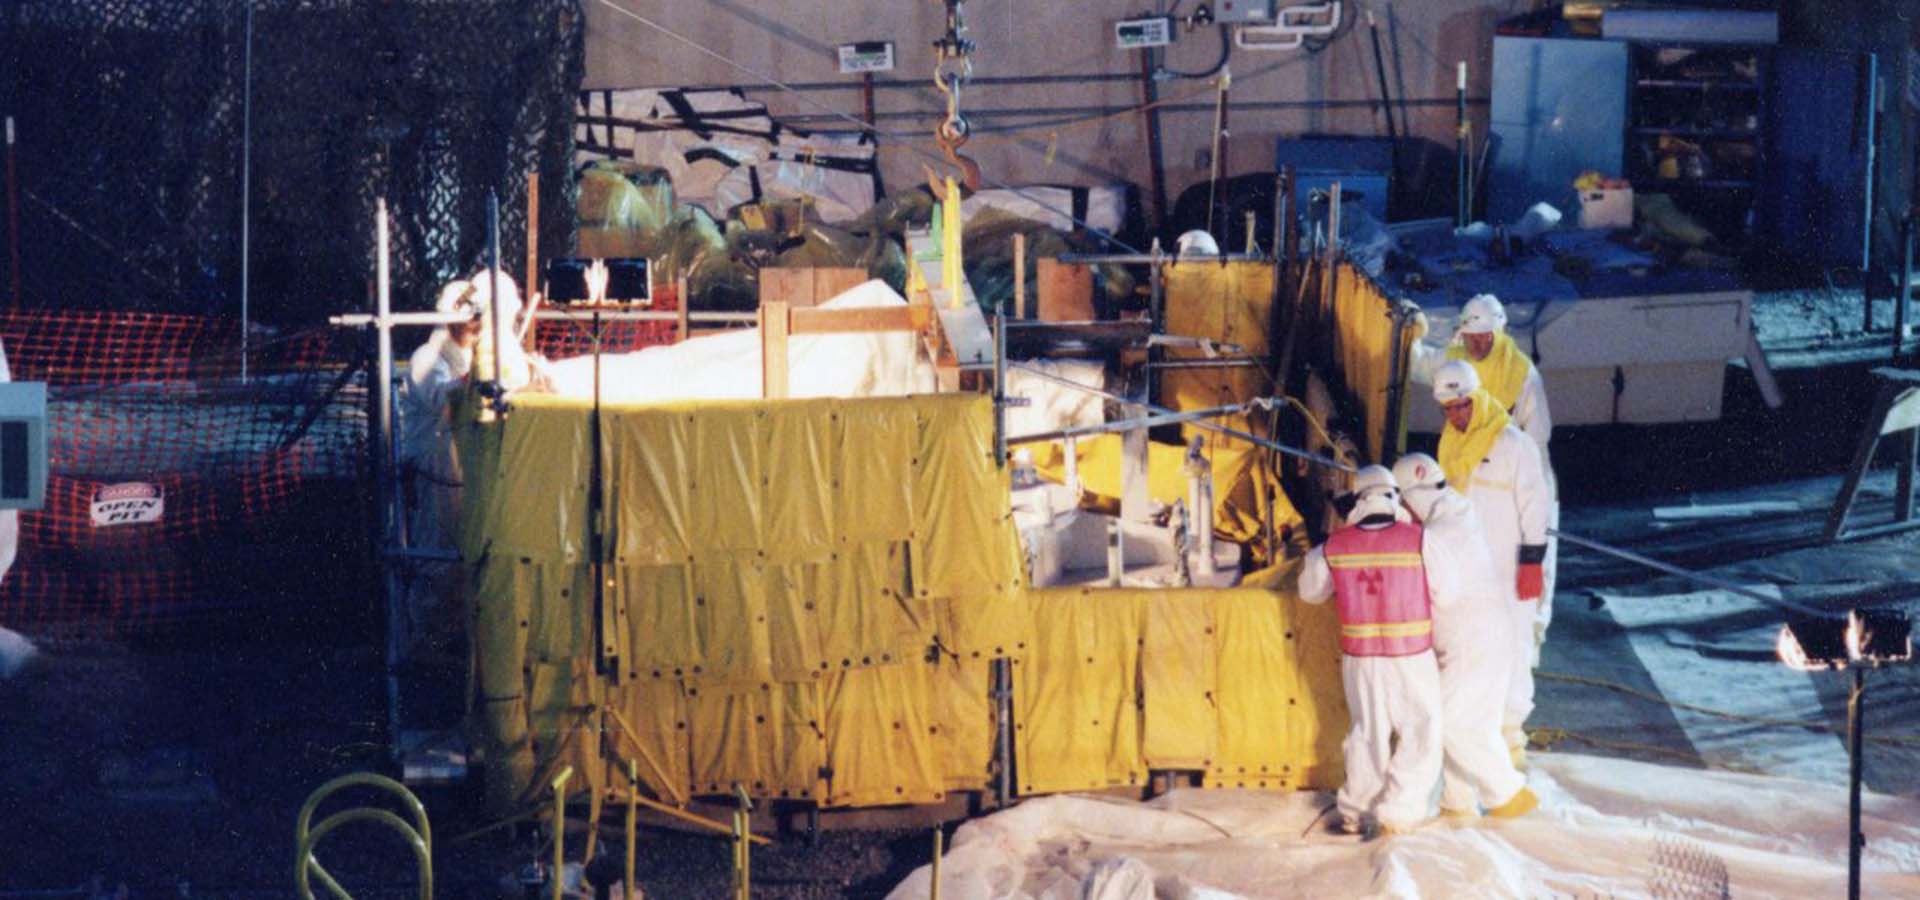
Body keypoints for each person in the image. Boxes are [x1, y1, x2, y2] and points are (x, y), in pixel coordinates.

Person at [1299, 466, 1454, 838]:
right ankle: (1399, 813)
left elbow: (1309, 592)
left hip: (1361, 659)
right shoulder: (1421, 540)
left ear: (1356, 500)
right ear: (1394, 496)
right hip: (1410, 656)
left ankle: (1355, 810)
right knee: (1421, 729)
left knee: (1367, 732)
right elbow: (1448, 594)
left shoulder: (1333, 547)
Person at [1411, 294, 1560, 660]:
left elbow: (1537, 439)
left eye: (1484, 335)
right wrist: (1410, 330)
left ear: (1499, 331)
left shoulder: (1521, 374)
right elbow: (1417, 364)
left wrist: (1532, 542)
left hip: (1512, 482)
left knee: (1524, 596)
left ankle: (1527, 656)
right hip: (1469, 481)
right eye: (1472, 335)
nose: (1477, 343)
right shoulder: (1455, 362)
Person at [1392, 452, 1536, 819]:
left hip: (1471, 641)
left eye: (1405, 500)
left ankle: (1507, 792)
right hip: (1487, 634)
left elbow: (1443, 591)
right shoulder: (1457, 512)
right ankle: (1457, 800)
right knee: (1475, 722)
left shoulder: (1438, 535)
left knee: (1450, 723)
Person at [1431, 360, 1551, 766]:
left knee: (1515, 645)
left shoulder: (1515, 444)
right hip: (1470, 570)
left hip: (1510, 566)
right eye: (1448, 408)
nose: (1456, 416)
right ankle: (1475, 726)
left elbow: (1537, 505)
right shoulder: (1448, 444)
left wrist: (1533, 561)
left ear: (1477, 398)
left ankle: (1511, 733)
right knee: (1474, 646)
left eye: (1462, 406)